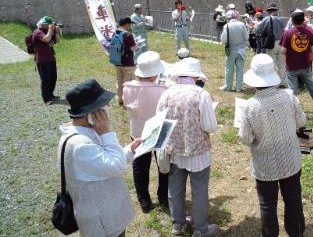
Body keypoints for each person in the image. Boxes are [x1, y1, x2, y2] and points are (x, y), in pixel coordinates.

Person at [58, 79, 142, 237]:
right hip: (103, 223)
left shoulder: (84, 132)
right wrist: (106, 132)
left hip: (105, 215)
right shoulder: (80, 145)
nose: (105, 110)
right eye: (101, 107)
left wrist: (129, 150)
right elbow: (115, 165)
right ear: (89, 113)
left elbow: (103, 163)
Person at [238, 54, 306, 237]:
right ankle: (296, 231)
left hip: (265, 163)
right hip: (290, 158)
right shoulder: (289, 96)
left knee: (267, 203)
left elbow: (245, 139)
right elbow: (302, 121)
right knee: (293, 198)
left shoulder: (249, 107)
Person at [156, 58, 219, 237]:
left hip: (174, 149)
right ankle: (200, 228)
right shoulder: (201, 94)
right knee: (199, 189)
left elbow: (158, 120)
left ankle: (177, 224)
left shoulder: (167, 93)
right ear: (195, 75)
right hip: (197, 150)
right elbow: (210, 126)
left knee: (174, 186)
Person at [123, 51, 171, 213]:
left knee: (140, 166)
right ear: (153, 75)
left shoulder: (127, 87)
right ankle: (164, 197)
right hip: (159, 132)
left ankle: (144, 199)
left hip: (137, 131)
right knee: (163, 164)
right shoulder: (162, 90)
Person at [280, 10, 313, 114]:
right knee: (311, 86)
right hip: (305, 65)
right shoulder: (309, 31)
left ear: (292, 21)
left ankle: (293, 110)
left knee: (292, 89)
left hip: (291, 65)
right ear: (303, 20)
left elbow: (283, 51)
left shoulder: (288, 33)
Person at [255, 3, 286, 86]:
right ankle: (283, 82)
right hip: (282, 43)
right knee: (282, 64)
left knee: (272, 64)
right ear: (276, 11)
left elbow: (258, 31)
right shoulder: (282, 19)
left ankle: (274, 83)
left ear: (268, 11)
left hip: (272, 43)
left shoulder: (267, 19)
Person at [33, 15, 60, 105]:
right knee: (45, 79)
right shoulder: (37, 32)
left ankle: (50, 94)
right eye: (49, 24)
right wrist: (51, 29)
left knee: (53, 77)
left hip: (51, 58)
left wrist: (56, 31)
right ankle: (46, 98)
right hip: (42, 60)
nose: (50, 25)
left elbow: (58, 41)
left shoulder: (47, 31)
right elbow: (46, 39)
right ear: (43, 24)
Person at [220, 10, 249, 92]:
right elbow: (246, 37)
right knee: (240, 69)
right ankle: (238, 87)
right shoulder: (242, 24)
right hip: (241, 49)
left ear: (228, 18)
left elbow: (223, 40)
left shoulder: (227, 26)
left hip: (231, 50)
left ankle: (228, 87)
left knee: (229, 68)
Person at [114, 17, 138, 107]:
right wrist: (138, 45)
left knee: (119, 81)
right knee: (128, 82)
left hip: (117, 61)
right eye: (130, 24)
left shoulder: (115, 33)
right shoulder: (128, 34)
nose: (131, 26)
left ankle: (120, 99)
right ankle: (126, 101)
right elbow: (133, 48)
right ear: (127, 24)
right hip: (127, 63)